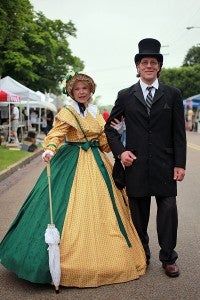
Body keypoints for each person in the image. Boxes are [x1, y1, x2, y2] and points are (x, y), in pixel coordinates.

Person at [0, 72, 146, 290]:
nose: (81, 92)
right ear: (71, 92)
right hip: (71, 161)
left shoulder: (96, 114)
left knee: (104, 209)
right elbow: (56, 135)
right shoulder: (67, 112)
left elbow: (105, 144)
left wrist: (118, 133)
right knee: (64, 206)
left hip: (97, 162)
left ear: (90, 91)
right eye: (77, 89)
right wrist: (49, 149)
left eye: (84, 89)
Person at [105, 38, 187, 278]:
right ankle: (143, 254)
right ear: (138, 67)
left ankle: (168, 257)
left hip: (165, 164)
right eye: (144, 62)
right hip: (136, 165)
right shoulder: (125, 95)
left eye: (153, 62)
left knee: (168, 210)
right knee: (138, 215)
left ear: (159, 66)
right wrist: (121, 152)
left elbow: (178, 133)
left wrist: (180, 164)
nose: (149, 66)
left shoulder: (172, 94)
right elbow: (110, 129)